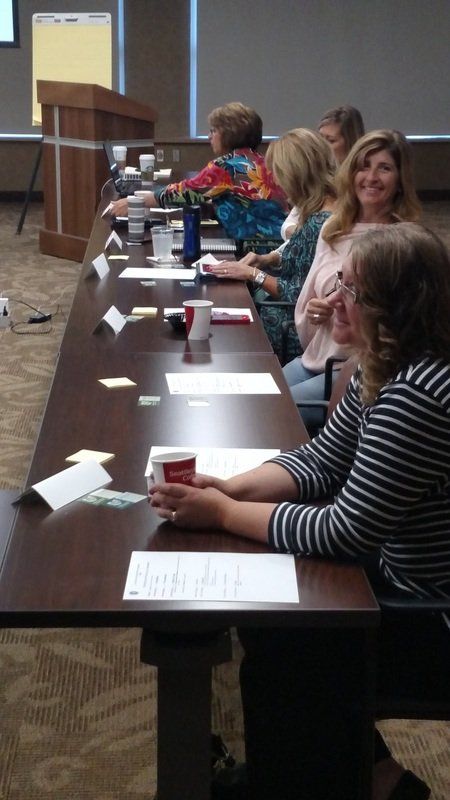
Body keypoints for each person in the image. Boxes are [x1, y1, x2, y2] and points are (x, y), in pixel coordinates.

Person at [149, 222, 450, 800]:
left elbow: (344, 529)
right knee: (280, 624)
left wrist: (220, 514)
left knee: (287, 642)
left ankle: (301, 781)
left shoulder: (416, 391)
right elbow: (320, 461)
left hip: (431, 612)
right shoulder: (381, 363)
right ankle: (371, 778)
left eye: (353, 293)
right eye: (341, 283)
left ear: (399, 306)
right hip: (399, 570)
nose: (333, 299)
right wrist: (231, 489)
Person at [283, 128, 421, 431]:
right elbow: (305, 306)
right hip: (315, 356)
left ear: (400, 180)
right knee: (258, 398)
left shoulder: (403, 242)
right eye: (364, 166)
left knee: (274, 415)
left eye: (384, 168)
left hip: (356, 372)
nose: (371, 177)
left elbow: (399, 331)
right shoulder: (333, 228)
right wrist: (317, 313)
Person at [206, 128, 336, 360]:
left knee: (221, 336)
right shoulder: (321, 207)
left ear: (296, 174)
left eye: (278, 173)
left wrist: (253, 274)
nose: (275, 181)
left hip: (293, 327)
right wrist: (266, 259)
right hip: (297, 318)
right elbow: (302, 260)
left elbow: (299, 294)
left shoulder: (320, 221)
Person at [108, 102, 287, 240]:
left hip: (255, 247)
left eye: (213, 130)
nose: (209, 136)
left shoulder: (227, 165)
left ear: (229, 132)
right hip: (278, 240)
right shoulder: (261, 161)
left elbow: (183, 192)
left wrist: (134, 202)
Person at [281, 105, 365, 240]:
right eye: (320, 139)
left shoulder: (361, 183)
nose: (322, 146)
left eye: (330, 140)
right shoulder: (317, 175)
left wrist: (310, 232)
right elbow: (287, 226)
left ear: (352, 142)